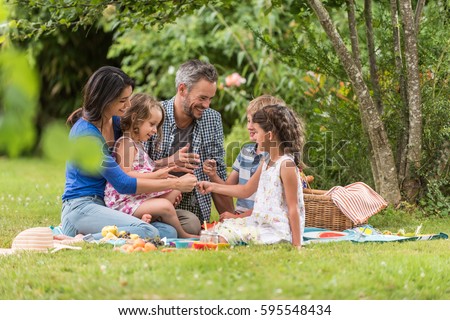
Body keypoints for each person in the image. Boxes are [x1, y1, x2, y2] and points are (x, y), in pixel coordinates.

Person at [61, 66, 197, 240]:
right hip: (81, 208)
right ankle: (81, 239)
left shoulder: (116, 123)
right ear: (105, 99)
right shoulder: (86, 135)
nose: (128, 105)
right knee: (148, 232)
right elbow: (123, 182)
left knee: (168, 232)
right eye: (123, 100)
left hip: (105, 205)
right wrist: (175, 184)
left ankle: (105, 232)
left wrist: (169, 161)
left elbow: (135, 165)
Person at [197, 104, 306, 249]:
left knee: (217, 238)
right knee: (212, 232)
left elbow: (294, 208)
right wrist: (212, 186)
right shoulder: (267, 161)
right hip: (259, 222)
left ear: (269, 135)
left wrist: (297, 245)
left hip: (276, 231)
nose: (255, 137)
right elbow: (245, 190)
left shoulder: (286, 165)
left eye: (257, 132)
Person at [145, 59, 229, 223]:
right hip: (151, 202)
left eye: (210, 99)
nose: (206, 105)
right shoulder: (152, 115)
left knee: (191, 225)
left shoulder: (213, 119)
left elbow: (218, 175)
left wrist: (230, 218)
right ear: (182, 89)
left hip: (192, 209)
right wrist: (170, 162)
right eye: (202, 98)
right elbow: (135, 169)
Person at [104, 93, 199, 238]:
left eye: (157, 125)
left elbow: (143, 169)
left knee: (175, 191)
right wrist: (156, 176)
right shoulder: (126, 143)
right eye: (152, 124)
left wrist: (166, 171)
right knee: (166, 205)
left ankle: (147, 218)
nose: (155, 130)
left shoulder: (138, 145)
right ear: (135, 119)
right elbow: (126, 175)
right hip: (124, 201)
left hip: (137, 197)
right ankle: (183, 235)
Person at [203, 95, 286, 222]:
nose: (249, 126)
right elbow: (228, 189)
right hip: (240, 216)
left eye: (255, 122)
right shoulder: (245, 152)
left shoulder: (274, 158)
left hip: (261, 218)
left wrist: (237, 218)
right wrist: (213, 176)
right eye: (248, 120)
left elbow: (268, 206)